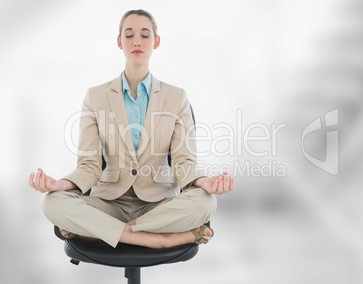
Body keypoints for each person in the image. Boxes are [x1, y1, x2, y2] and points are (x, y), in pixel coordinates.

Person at [28, 9, 234, 249]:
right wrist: (58, 185)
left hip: (158, 204)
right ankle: (157, 240)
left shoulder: (177, 98)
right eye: (129, 35)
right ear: (119, 42)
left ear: (156, 42)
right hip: (108, 203)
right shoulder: (95, 97)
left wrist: (203, 182)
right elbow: (89, 167)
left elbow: (183, 163)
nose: (137, 41)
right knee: (52, 202)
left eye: (145, 35)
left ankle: (98, 231)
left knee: (206, 203)